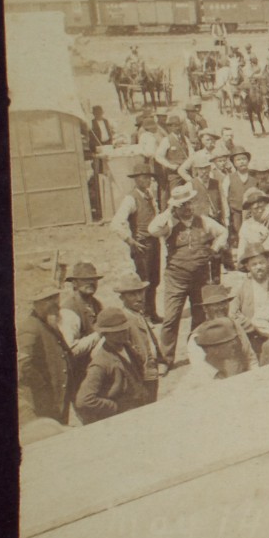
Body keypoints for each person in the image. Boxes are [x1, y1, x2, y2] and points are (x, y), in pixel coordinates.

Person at [147, 182, 230, 364]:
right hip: (176, 279)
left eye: (190, 203)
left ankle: (195, 353)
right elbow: (152, 229)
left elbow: (223, 232)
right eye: (183, 205)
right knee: (171, 319)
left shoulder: (203, 221)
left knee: (199, 316)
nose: (188, 208)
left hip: (199, 278)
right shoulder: (169, 224)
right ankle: (166, 360)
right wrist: (169, 210)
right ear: (176, 207)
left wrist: (214, 248)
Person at [74, 308, 155, 425]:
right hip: (122, 418)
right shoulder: (100, 363)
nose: (125, 332)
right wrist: (114, 407)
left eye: (125, 328)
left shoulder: (127, 347)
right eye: (118, 331)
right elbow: (84, 400)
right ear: (105, 334)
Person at [16, 286, 75, 439]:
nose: (54, 304)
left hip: (57, 397)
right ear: (37, 304)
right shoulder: (30, 327)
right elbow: (22, 363)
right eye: (48, 300)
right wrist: (42, 386)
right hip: (43, 400)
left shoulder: (49, 323)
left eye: (55, 298)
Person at [110, 159, 162, 322]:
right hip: (142, 245)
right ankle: (143, 316)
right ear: (136, 179)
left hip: (154, 242)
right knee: (144, 281)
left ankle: (152, 313)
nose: (147, 181)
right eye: (143, 178)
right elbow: (116, 224)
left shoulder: (149, 195)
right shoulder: (130, 199)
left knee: (155, 280)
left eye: (149, 178)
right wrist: (130, 241)